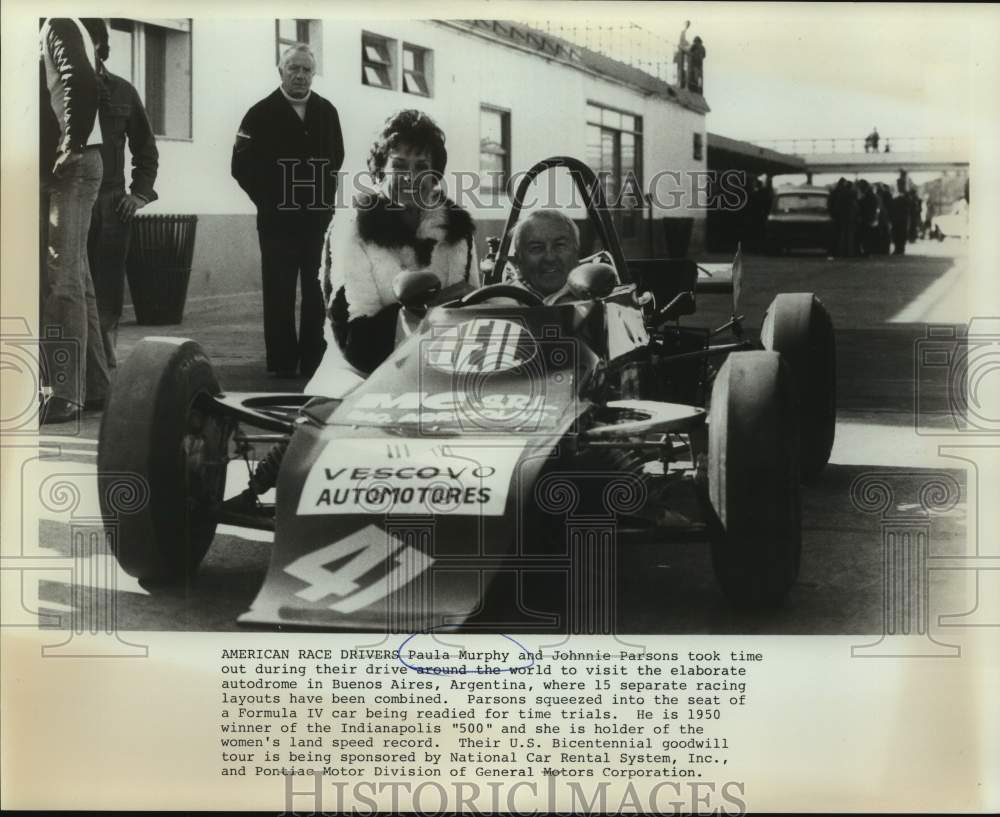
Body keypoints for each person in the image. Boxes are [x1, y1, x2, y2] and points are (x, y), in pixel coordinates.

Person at [305, 109, 479, 396]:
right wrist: (434, 305)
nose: (410, 177)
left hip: (441, 367)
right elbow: (356, 344)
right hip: (359, 372)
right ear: (380, 169)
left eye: (422, 166)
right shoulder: (353, 228)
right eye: (399, 165)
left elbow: (472, 314)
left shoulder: (457, 231)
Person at [232, 43, 344, 379]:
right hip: (277, 221)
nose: (299, 75)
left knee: (317, 290)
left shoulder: (327, 112)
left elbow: (336, 158)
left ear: (314, 73)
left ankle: (313, 359)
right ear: (280, 71)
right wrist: (269, 201)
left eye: (306, 69)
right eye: (293, 68)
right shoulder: (259, 113)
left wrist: (322, 197)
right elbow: (241, 165)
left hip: (317, 220)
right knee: (278, 290)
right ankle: (281, 362)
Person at [39, 17, 109, 424]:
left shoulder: (58, 21)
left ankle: (64, 394)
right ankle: (96, 387)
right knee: (77, 281)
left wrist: (72, 143)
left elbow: (80, 81)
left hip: (73, 164)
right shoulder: (65, 23)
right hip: (80, 161)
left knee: (61, 280)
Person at [81, 18, 158, 371]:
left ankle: (106, 361)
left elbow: (146, 149)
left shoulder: (124, 92)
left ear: (100, 45)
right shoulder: (52, 87)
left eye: (87, 42)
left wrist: (138, 195)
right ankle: (75, 360)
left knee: (108, 285)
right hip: (68, 199)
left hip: (112, 204)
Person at [509, 210, 581, 303]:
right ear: (518, 259)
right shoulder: (494, 301)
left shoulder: (596, 299)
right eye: (536, 248)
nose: (550, 258)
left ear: (576, 252)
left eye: (559, 245)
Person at [890, 178, 910, 255]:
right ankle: (899, 248)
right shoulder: (902, 196)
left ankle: (899, 248)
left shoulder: (903, 196)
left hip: (900, 218)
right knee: (899, 234)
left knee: (900, 234)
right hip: (900, 218)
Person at [675, 21, 691, 87]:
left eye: (688, 25)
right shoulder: (683, 32)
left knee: (684, 67)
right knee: (680, 68)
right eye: (687, 24)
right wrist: (688, 44)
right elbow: (682, 41)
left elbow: (683, 41)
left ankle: (681, 83)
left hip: (684, 51)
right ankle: (680, 83)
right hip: (682, 51)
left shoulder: (684, 32)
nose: (687, 26)